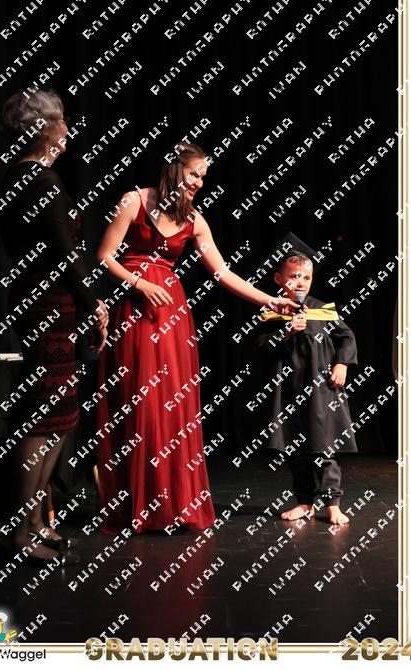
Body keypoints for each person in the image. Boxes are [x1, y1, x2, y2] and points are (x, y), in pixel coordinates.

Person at [93, 142, 298, 534]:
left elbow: (223, 273)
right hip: (135, 312)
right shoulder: (134, 201)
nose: (200, 182)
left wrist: (269, 299)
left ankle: (171, 506)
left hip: (172, 317)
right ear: (174, 169)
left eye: (203, 177)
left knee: (171, 406)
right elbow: (104, 255)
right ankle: (136, 505)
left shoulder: (194, 220)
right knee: (140, 403)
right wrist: (140, 284)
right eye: (194, 174)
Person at [0, 89, 108, 564]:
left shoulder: (19, 177)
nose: (67, 130)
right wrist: (94, 304)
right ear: (43, 129)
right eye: (60, 121)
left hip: (45, 305)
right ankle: (19, 535)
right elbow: (66, 255)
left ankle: (37, 523)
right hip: (50, 308)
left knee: (59, 417)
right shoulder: (41, 181)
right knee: (44, 419)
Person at [254, 239, 358, 526]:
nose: (300, 283)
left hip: (323, 389)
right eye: (293, 276)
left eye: (306, 277)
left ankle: (333, 503)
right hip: (289, 391)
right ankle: (305, 502)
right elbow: (261, 347)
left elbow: (346, 337)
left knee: (326, 447)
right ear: (278, 279)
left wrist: (342, 363)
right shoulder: (273, 312)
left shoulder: (323, 310)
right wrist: (286, 332)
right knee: (296, 449)